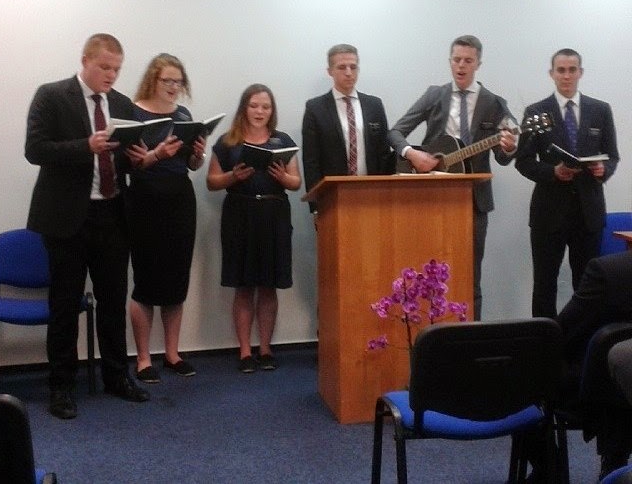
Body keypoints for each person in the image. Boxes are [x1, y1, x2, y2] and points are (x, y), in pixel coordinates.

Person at [25, 33, 149, 420]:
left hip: (113, 214)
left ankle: (116, 376)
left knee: (113, 301)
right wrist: (85, 146)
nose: (111, 75)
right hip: (67, 218)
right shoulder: (52, 95)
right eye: (104, 67)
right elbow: (34, 149)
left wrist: (141, 158)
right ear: (85, 60)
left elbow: (124, 159)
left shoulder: (123, 104)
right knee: (64, 305)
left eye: (117, 69)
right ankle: (61, 386)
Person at [386, 35, 518, 320]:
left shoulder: (494, 103)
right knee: (427, 270)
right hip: (432, 197)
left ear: (478, 64)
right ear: (450, 61)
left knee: (471, 273)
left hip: (474, 201)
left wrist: (509, 146)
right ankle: (430, 332)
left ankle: (472, 333)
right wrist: (412, 153)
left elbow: (504, 155)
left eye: (468, 61)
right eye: (456, 60)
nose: (461, 65)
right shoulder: (435, 95)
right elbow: (395, 132)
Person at [515, 48, 619, 319]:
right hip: (548, 213)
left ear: (580, 73)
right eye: (561, 70)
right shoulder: (536, 111)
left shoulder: (600, 110)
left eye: (572, 70)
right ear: (552, 74)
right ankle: (544, 341)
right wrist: (553, 172)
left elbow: (613, 156)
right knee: (544, 285)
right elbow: (523, 161)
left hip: (589, 212)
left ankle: (580, 343)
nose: (567, 76)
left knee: (588, 287)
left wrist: (603, 170)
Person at [206, 84, 301, 373]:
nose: (260, 112)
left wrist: (283, 177)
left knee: (269, 285)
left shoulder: (282, 141)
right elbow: (212, 182)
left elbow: (296, 183)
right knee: (244, 286)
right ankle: (245, 351)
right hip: (240, 215)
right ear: (244, 108)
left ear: (272, 111)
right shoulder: (228, 141)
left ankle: (266, 349)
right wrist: (233, 176)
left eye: (266, 107)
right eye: (254, 106)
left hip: (274, 214)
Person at [123, 54, 206, 384]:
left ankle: (172, 354)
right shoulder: (133, 113)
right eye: (167, 81)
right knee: (146, 280)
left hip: (180, 198)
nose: (173, 87)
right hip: (145, 199)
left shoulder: (183, 115)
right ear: (152, 80)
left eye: (178, 82)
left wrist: (198, 155)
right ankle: (143, 358)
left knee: (176, 280)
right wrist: (157, 155)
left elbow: (191, 165)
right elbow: (130, 164)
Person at [525, 251, 632, 482]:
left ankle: (548, 468)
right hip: (619, 386)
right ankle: (614, 460)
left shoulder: (606, 272)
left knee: (525, 368)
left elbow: (560, 333)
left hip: (591, 389)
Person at [302, 43, 395, 213]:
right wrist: (316, 207)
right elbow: (311, 161)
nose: (348, 73)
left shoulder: (374, 105)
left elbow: (383, 154)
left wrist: (388, 195)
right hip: (333, 197)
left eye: (353, 67)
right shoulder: (315, 108)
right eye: (341, 67)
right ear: (330, 71)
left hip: (372, 195)